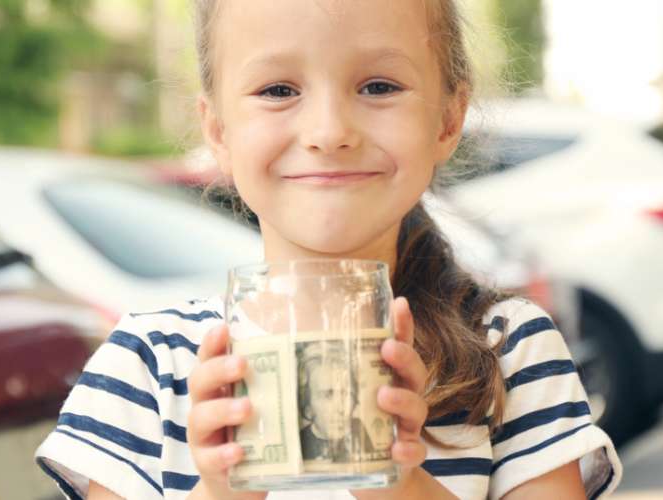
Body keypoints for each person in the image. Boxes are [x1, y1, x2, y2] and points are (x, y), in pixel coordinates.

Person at [35, 1, 622, 499]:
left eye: (378, 86)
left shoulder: (509, 349)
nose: (328, 129)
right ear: (218, 131)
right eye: (278, 90)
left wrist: (401, 478)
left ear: (447, 118)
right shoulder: (147, 364)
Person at [296, 340, 380, 464]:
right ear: (308, 405)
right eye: (328, 395)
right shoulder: (298, 440)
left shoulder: (359, 429)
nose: (341, 408)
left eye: (347, 394)